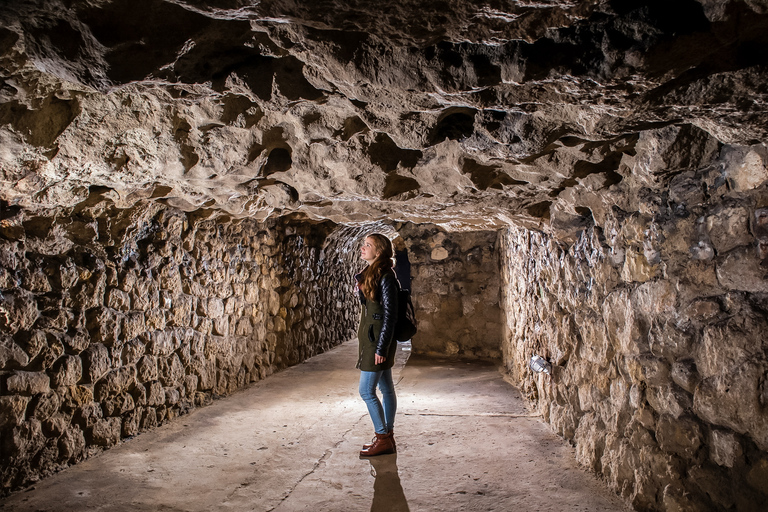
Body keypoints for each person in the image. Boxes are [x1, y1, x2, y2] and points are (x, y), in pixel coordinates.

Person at [355, 233, 399, 457]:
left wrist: (381, 348)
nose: (363, 248)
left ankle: (382, 437)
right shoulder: (373, 273)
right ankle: (387, 438)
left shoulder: (386, 276)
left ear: (379, 251)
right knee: (386, 389)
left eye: (368, 245)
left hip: (378, 341)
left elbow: (390, 315)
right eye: (364, 244)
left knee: (366, 391)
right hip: (374, 338)